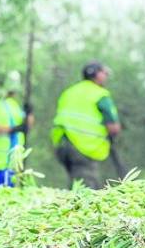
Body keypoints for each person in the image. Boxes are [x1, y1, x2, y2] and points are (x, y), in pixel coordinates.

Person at [51, 60, 121, 189]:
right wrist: (112, 136)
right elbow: (113, 127)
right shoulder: (100, 94)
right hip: (83, 145)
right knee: (87, 188)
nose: (106, 76)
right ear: (97, 75)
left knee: (75, 182)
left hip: (61, 143)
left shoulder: (69, 92)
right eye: (104, 73)